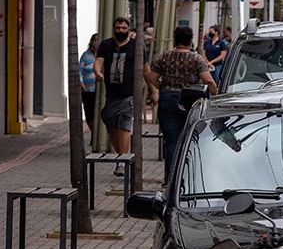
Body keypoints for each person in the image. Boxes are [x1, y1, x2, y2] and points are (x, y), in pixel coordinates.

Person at [145, 26, 218, 182]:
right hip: (189, 101)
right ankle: (187, 177)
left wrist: (161, 87)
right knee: (190, 140)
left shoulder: (164, 57)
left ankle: (170, 179)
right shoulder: (196, 58)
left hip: (167, 101)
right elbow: (208, 80)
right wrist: (215, 94)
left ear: (175, 39)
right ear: (190, 40)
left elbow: (151, 77)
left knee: (171, 142)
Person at [94, 17, 138, 176]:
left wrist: (153, 90)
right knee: (109, 120)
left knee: (124, 126)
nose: (120, 30)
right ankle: (121, 155)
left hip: (129, 94)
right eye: (118, 28)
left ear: (129, 29)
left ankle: (122, 161)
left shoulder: (135, 47)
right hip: (111, 94)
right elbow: (99, 61)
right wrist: (97, 72)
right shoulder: (106, 45)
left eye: (124, 28)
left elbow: (145, 68)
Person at [79, 33, 99, 128]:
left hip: (100, 91)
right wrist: (81, 82)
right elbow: (80, 70)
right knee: (89, 115)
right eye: (95, 40)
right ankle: (93, 133)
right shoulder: (86, 55)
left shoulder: (104, 55)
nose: (97, 42)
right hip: (87, 90)